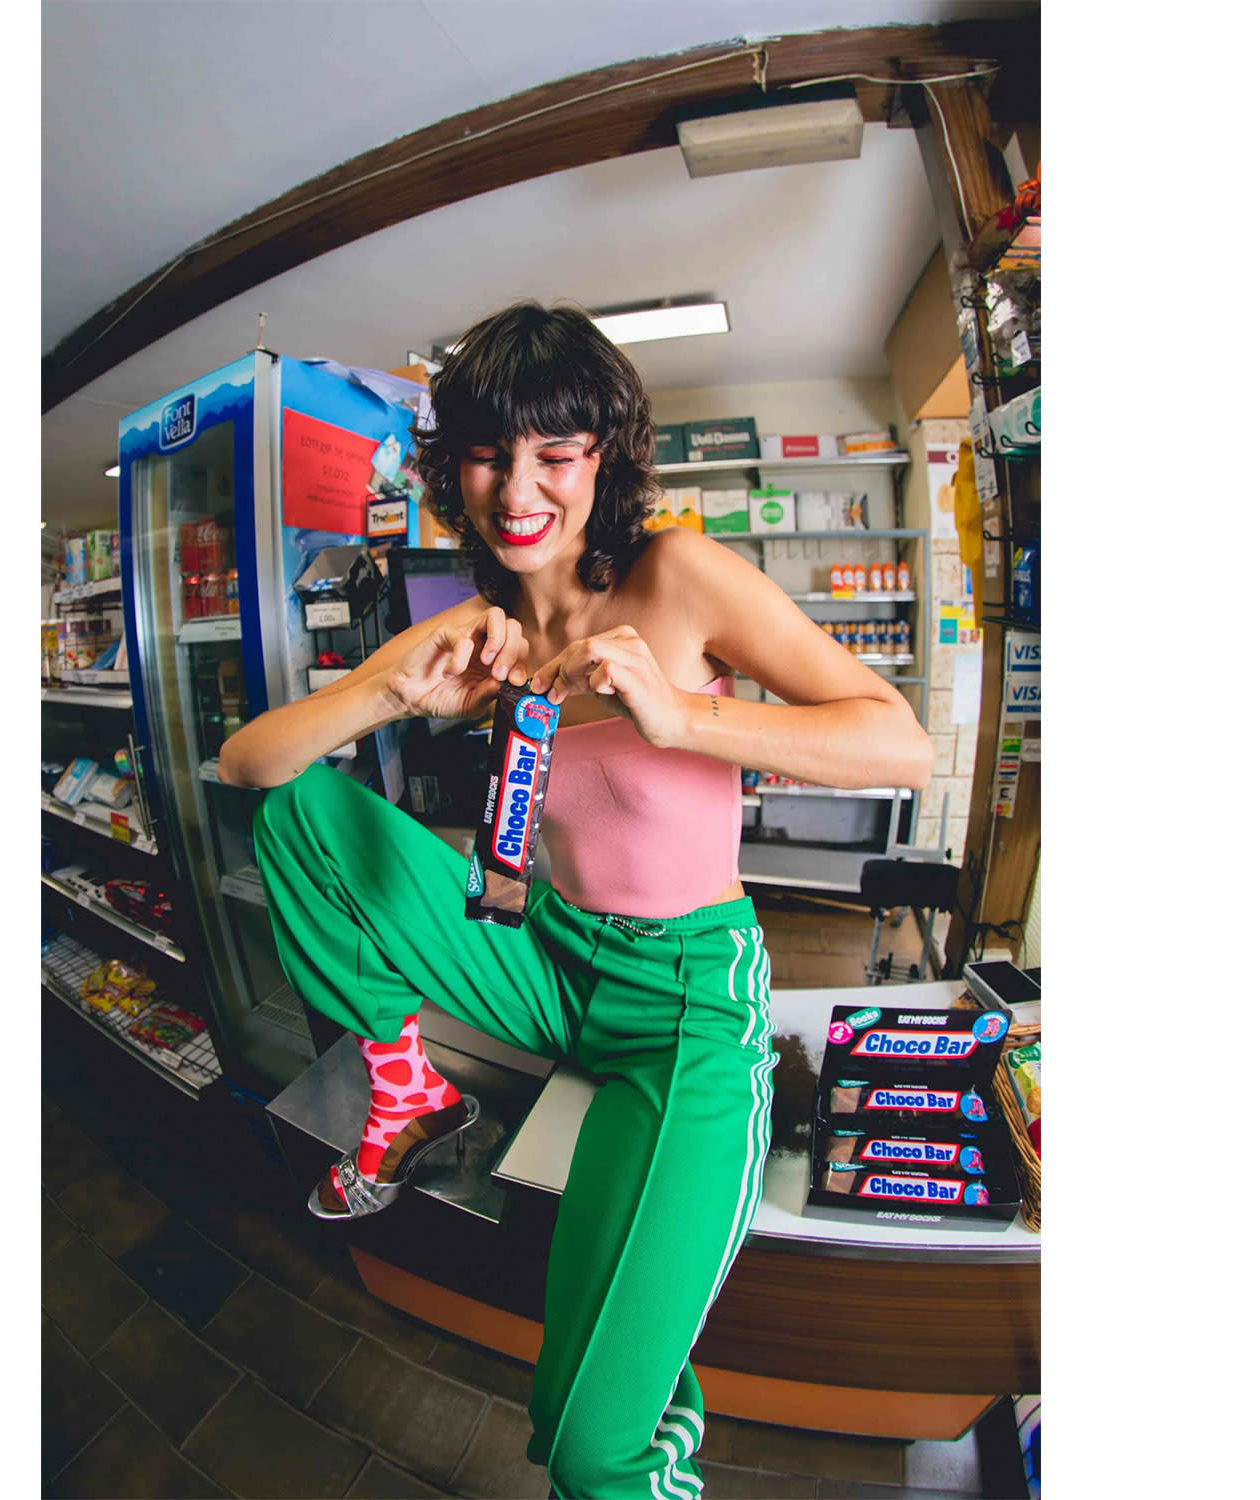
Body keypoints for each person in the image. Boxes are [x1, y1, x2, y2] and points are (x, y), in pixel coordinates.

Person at [218, 301, 932, 1499]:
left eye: (555, 453)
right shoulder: (475, 628)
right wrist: (392, 694)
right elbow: (249, 766)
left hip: (683, 1003)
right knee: (302, 817)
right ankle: (408, 1088)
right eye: (489, 454)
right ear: (453, 469)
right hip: (548, 954)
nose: (519, 490)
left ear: (605, 458)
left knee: (591, 1447)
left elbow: (899, 743)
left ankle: (643, 1400)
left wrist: (683, 715)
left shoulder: (678, 574)